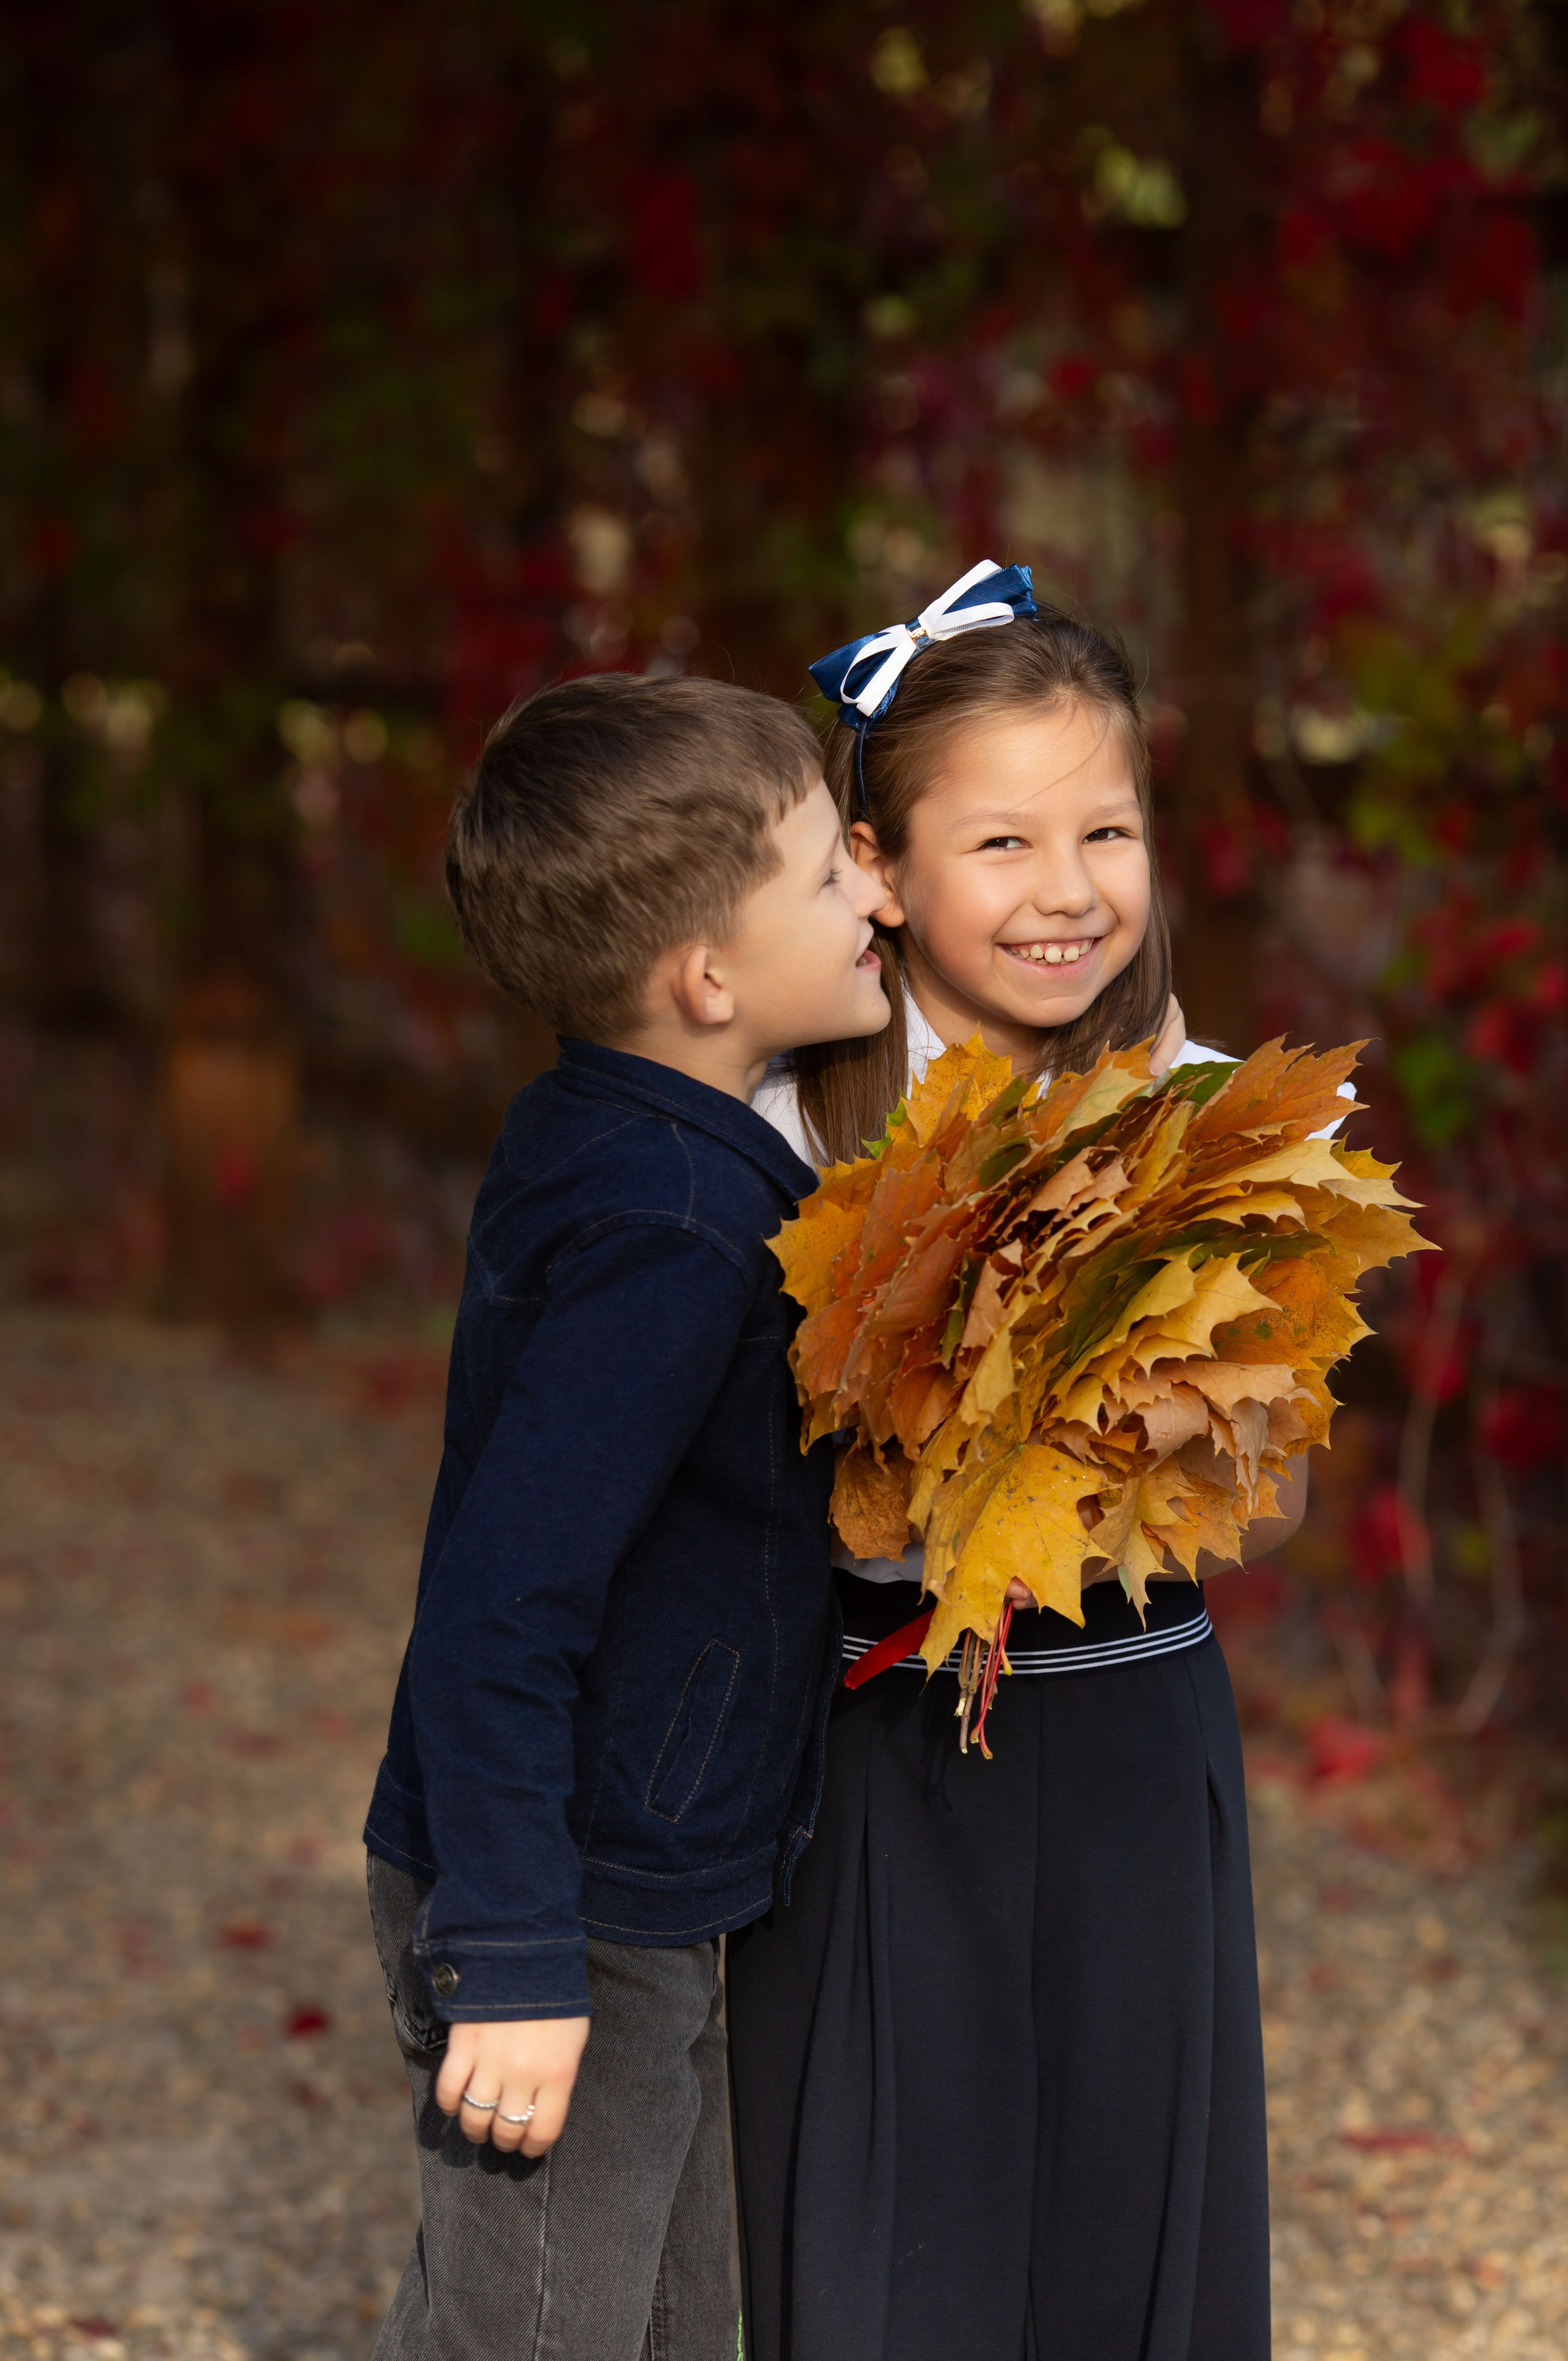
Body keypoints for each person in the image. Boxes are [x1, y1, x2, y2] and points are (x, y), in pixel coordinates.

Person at [728, 564, 1306, 2361]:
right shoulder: (794, 1124)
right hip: (878, 1746)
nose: (1069, 893)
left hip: (1132, 1726)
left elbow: (1264, 1489)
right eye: (1002, 845)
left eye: (1107, 832)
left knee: (1125, 2217)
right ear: (879, 870)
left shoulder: (1217, 1120)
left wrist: (1137, 1425)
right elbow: (772, 1485)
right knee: (887, 2218)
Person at [362, 672, 891, 2361]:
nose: (879, 890)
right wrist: (514, 1954)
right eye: (830, 873)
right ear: (708, 976)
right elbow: (498, 1609)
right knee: (525, 2337)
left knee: (664, 2317)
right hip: (563, 1890)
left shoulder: (626, 1135)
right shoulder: (669, 1234)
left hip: (638, 1878)